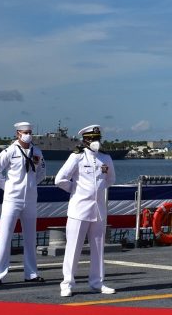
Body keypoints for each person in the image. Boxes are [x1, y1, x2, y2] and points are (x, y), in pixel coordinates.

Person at [56, 124, 117, 297]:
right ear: (85, 140)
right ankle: (67, 283)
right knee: (73, 248)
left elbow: (110, 179)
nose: (96, 142)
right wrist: (75, 190)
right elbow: (60, 179)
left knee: (98, 249)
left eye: (98, 138)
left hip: (98, 210)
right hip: (79, 209)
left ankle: (97, 282)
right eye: (93, 139)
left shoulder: (106, 158)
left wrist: (97, 190)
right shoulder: (76, 157)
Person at [0, 121, 46, 286]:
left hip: (30, 199)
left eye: (30, 132)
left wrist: (32, 185)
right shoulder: (10, 151)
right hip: (12, 199)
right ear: (18, 134)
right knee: (5, 236)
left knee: (30, 237)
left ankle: (31, 273)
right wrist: (8, 187)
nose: (28, 134)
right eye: (25, 132)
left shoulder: (37, 151)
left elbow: (42, 171)